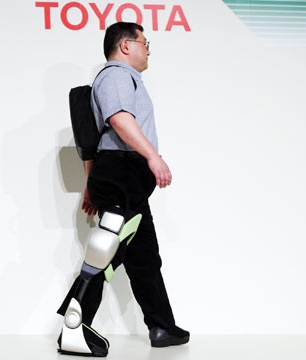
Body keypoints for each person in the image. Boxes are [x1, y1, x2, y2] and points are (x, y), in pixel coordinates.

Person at [56, 22, 189, 356]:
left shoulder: (120, 78)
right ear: (126, 45)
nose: (148, 50)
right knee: (106, 249)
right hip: (123, 171)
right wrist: (153, 157)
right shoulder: (116, 75)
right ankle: (74, 327)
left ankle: (161, 326)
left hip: (120, 173)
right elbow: (118, 119)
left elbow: (92, 142)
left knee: (144, 257)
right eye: (145, 43)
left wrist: (90, 184)